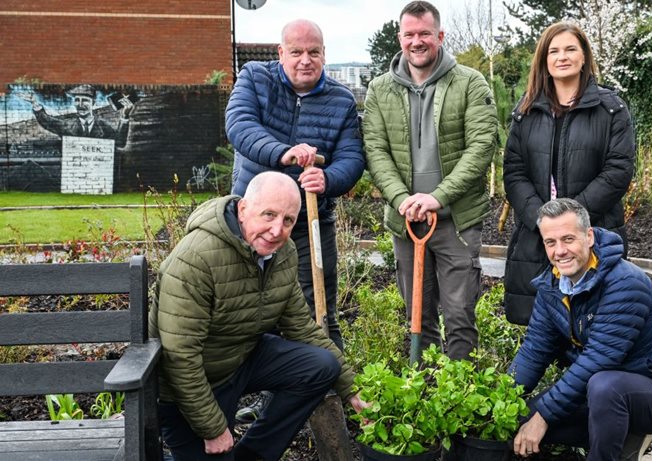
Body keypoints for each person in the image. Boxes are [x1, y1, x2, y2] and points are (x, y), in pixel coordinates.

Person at [150, 171, 366, 461]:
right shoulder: (196, 259)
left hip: (240, 358)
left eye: (287, 220)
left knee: (321, 365)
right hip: (190, 387)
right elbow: (180, 357)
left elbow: (302, 327)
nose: (277, 230)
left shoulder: (283, 253)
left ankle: (252, 455)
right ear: (243, 209)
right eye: (269, 215)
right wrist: (213, 428)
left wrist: (352, 390)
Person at [225, 19, 364, 421]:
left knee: (318, 311)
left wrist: (329, 178)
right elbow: (240, 126)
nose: (306, 60)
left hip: (309, 225)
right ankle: (261, 400)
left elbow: (353, 158)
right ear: (280, 52)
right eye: (297, 52)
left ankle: (331, 396)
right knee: (251, 310)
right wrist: (283, 153)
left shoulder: (341, 100)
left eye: (314, 52)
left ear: (324, 54)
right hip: (251, 225)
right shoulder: (254, 78)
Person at [362, 0, 497, 360]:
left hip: (457, 221)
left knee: (459, 315)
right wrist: (400, 198)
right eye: (409, 34)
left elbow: (482, 146)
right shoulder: (379, 90)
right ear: (399, 37)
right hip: (406, 222)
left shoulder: (469, 82)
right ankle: (421, 390)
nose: (416, 41)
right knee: (417, 316)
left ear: (440, 35)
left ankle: (458, 396)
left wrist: (437, 197)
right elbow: (375, 150)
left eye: (425, 33)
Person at [508, 198, 652, 461]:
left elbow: (598, 360)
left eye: (568, 239)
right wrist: (496, 401)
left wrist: (544, 416)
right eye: (551, 242)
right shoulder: (552, 285)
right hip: (596, 392)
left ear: (589, 236)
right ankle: (619, 435)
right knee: (519, 416)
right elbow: (534, 352)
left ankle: (618, 443)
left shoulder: (625, 282)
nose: (560, 251)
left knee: (604, 387)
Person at [502, 22, 635, 325]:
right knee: (540, 329)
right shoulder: (526, 111)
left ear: (584, 56)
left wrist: (572, 220)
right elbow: (514, 171)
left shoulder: (611, 110)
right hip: (538, 237)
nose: (562, 57)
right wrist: (543, 220)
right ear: (544, 60)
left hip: (594, 233)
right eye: (554, 50)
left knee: (595, 325)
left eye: (570, 49)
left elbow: (618, 170)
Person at [22, 84, 131, 147]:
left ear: (93, 103)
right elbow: (47, 121)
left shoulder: (103, 126)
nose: (80, 105)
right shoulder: (67, 126)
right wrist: (34, 103)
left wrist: (125, 116)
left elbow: (120, 143)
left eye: (85, 101)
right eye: (77, 100)